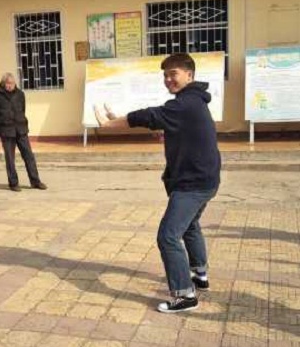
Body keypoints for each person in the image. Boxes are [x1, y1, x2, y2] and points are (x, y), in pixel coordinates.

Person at [95, 53, 221, 313]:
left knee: (168, 236)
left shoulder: (185, 104)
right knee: (190, 225)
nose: (168, 79)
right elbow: (170, 124)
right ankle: (199, 274)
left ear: (189, 75)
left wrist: (110, 124)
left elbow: (150, 115)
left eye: (173, 74)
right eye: (165, 75)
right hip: (204, 179)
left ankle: (184, 295)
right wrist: (120, 120)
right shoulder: (193, 100)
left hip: (193, 183)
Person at [0, 73, 47, 192]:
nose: (10, 86)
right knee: (10, 159)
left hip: (21, 130)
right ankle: (13, 183)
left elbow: (23, 110)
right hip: (6, 131)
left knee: (29, 156)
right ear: (3, 84)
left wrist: (21, 121)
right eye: (8, 83)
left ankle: (35, 181)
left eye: (12, 83)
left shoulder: (20, 94)